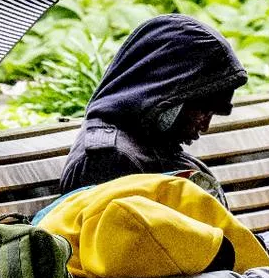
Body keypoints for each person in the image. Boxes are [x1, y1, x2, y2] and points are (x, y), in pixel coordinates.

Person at [59, 14, 248, 196]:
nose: (205, 126)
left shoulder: (146, 142)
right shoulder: (109, 159)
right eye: (204, 111)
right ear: (169, 94)